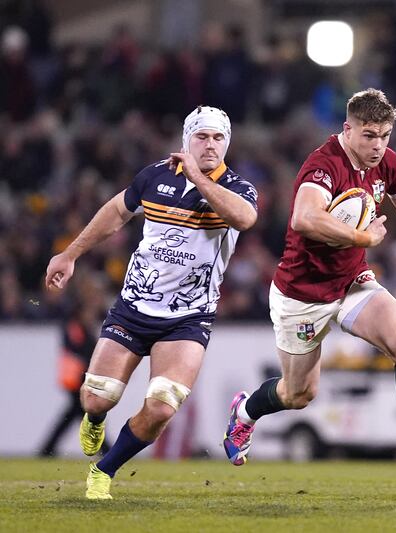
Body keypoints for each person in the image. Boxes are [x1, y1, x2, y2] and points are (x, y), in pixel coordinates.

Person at [222, 88, 396, 484]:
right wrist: (364, 239)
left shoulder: (387, 163)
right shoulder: (322, 166)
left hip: (353, 282)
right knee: (298, 395)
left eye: (385, 136)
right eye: (369, 135)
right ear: (348, 128)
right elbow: (304, 218)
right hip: (302, 293)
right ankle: (245, 412)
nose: (378, 146)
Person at [44, 106, 258, 499]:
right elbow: (115, 213)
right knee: (97, 396)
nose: (210, 144)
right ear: (186, 139)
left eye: (218, 138)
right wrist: (70, 254)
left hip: (188, 319)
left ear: (227, 143)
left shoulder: (237, 188)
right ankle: (95, 419)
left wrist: (198, 178)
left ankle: (103, 470)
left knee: (162, 407)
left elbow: (244, 219)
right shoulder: (154, 176)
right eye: (202, 137)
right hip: (134, 307)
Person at [38, 278, 110, 457]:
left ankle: (47, 450)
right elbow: (75, 349)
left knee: (74, 414)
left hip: (82, 377)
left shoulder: (85, 323)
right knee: (87, 413)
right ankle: (108, 449)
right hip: (77, 377)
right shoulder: (75, 323)